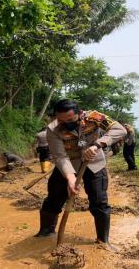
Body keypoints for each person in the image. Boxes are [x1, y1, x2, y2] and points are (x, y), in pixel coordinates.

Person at [35, 99, 126, 249]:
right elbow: (60, 156)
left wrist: (98, 144)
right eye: (61, 120)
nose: (66, 123)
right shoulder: (53, 129)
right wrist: (70, 178)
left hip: (94, 163)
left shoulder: (94, 117)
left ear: (80, 113)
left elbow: (119, 130)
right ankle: (46, 232)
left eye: (70, 119)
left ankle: (103, 240)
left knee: (99, 201)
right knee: (54, 199)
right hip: (67, 165)